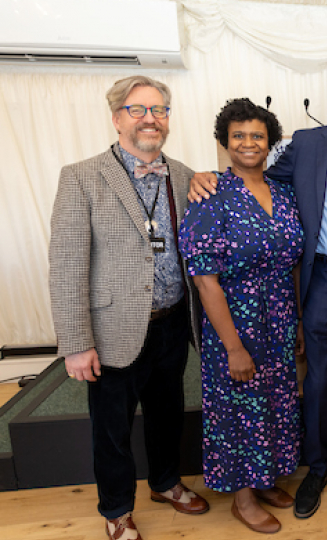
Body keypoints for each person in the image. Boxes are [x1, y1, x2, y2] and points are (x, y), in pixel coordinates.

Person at [188, 57, 327, 519]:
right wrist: (201, 175)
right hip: (322, 280)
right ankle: (316, 465)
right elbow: (255, 175)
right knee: (317, 378)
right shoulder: (307, 144)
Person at [49, 76, 209, 540]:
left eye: (159, 110)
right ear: (117, 118)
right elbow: (66, 265)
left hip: (173, 322)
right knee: (112, 428)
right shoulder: (80, 176)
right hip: (112, 327)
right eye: (138, 110)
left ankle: (164, 483)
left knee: (167, 413)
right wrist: (77, 344)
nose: (150, 119)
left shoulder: (181, 174)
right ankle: (116, 508)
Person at [178, 98, 303, 534]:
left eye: (257, 136)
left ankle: (265, 479)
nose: (248, 143)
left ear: (270, 144)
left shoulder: (285, 193)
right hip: (234, 323)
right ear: (223, 143)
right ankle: (242, 497)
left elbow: (295, 264)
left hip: (281, 319)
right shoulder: (211, 195)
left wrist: (299, 322)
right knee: (239, 408)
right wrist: (233, 346)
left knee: (274, 402)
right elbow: (205, 280)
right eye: (238, 136)